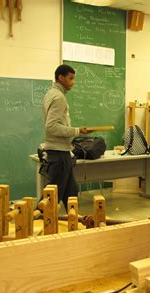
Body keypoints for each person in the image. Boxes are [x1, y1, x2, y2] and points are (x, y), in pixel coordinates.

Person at [41, 64, 87, 210]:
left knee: (71, 193)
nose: (73, 82)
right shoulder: (58, 97)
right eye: (70, 78)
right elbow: (51, 126)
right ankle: (39, 223)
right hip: (58, 154)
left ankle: (74, 224)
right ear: (61, 78)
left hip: (63, 153)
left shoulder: (50, 93)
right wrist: (77, 131)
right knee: (50, 199)